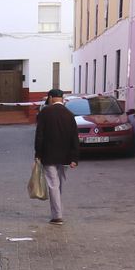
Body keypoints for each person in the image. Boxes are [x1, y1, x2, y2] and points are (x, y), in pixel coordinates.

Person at [34, 88, 79, 225]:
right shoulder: (69, 114)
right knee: (58, 184)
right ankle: (57, 212)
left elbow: (39, 136)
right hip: (64, 156)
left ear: (51, 97)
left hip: (49, 155)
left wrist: (38, 154)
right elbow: (74, 138)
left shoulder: (45, 113)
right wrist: (74, 158)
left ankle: (57, 216)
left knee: (53, 185)